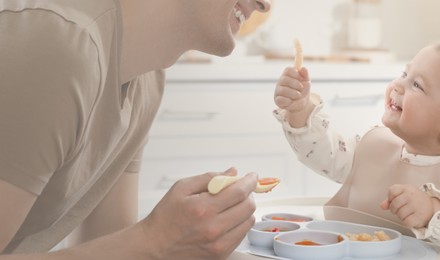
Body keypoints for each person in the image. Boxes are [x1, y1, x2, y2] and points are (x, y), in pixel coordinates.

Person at [0, 0, 271, 259]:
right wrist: (154, 240)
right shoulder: (58, 45)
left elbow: (109, 244)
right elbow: (138, 247)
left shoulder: (146, 75)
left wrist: (165, 243)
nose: (265, 4)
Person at [273, 39, 440, 255]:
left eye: (417, 85)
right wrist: (300, 112)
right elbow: (321, 154)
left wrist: (433, 210)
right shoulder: (371, 147)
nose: (398, 86)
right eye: (404, 74)